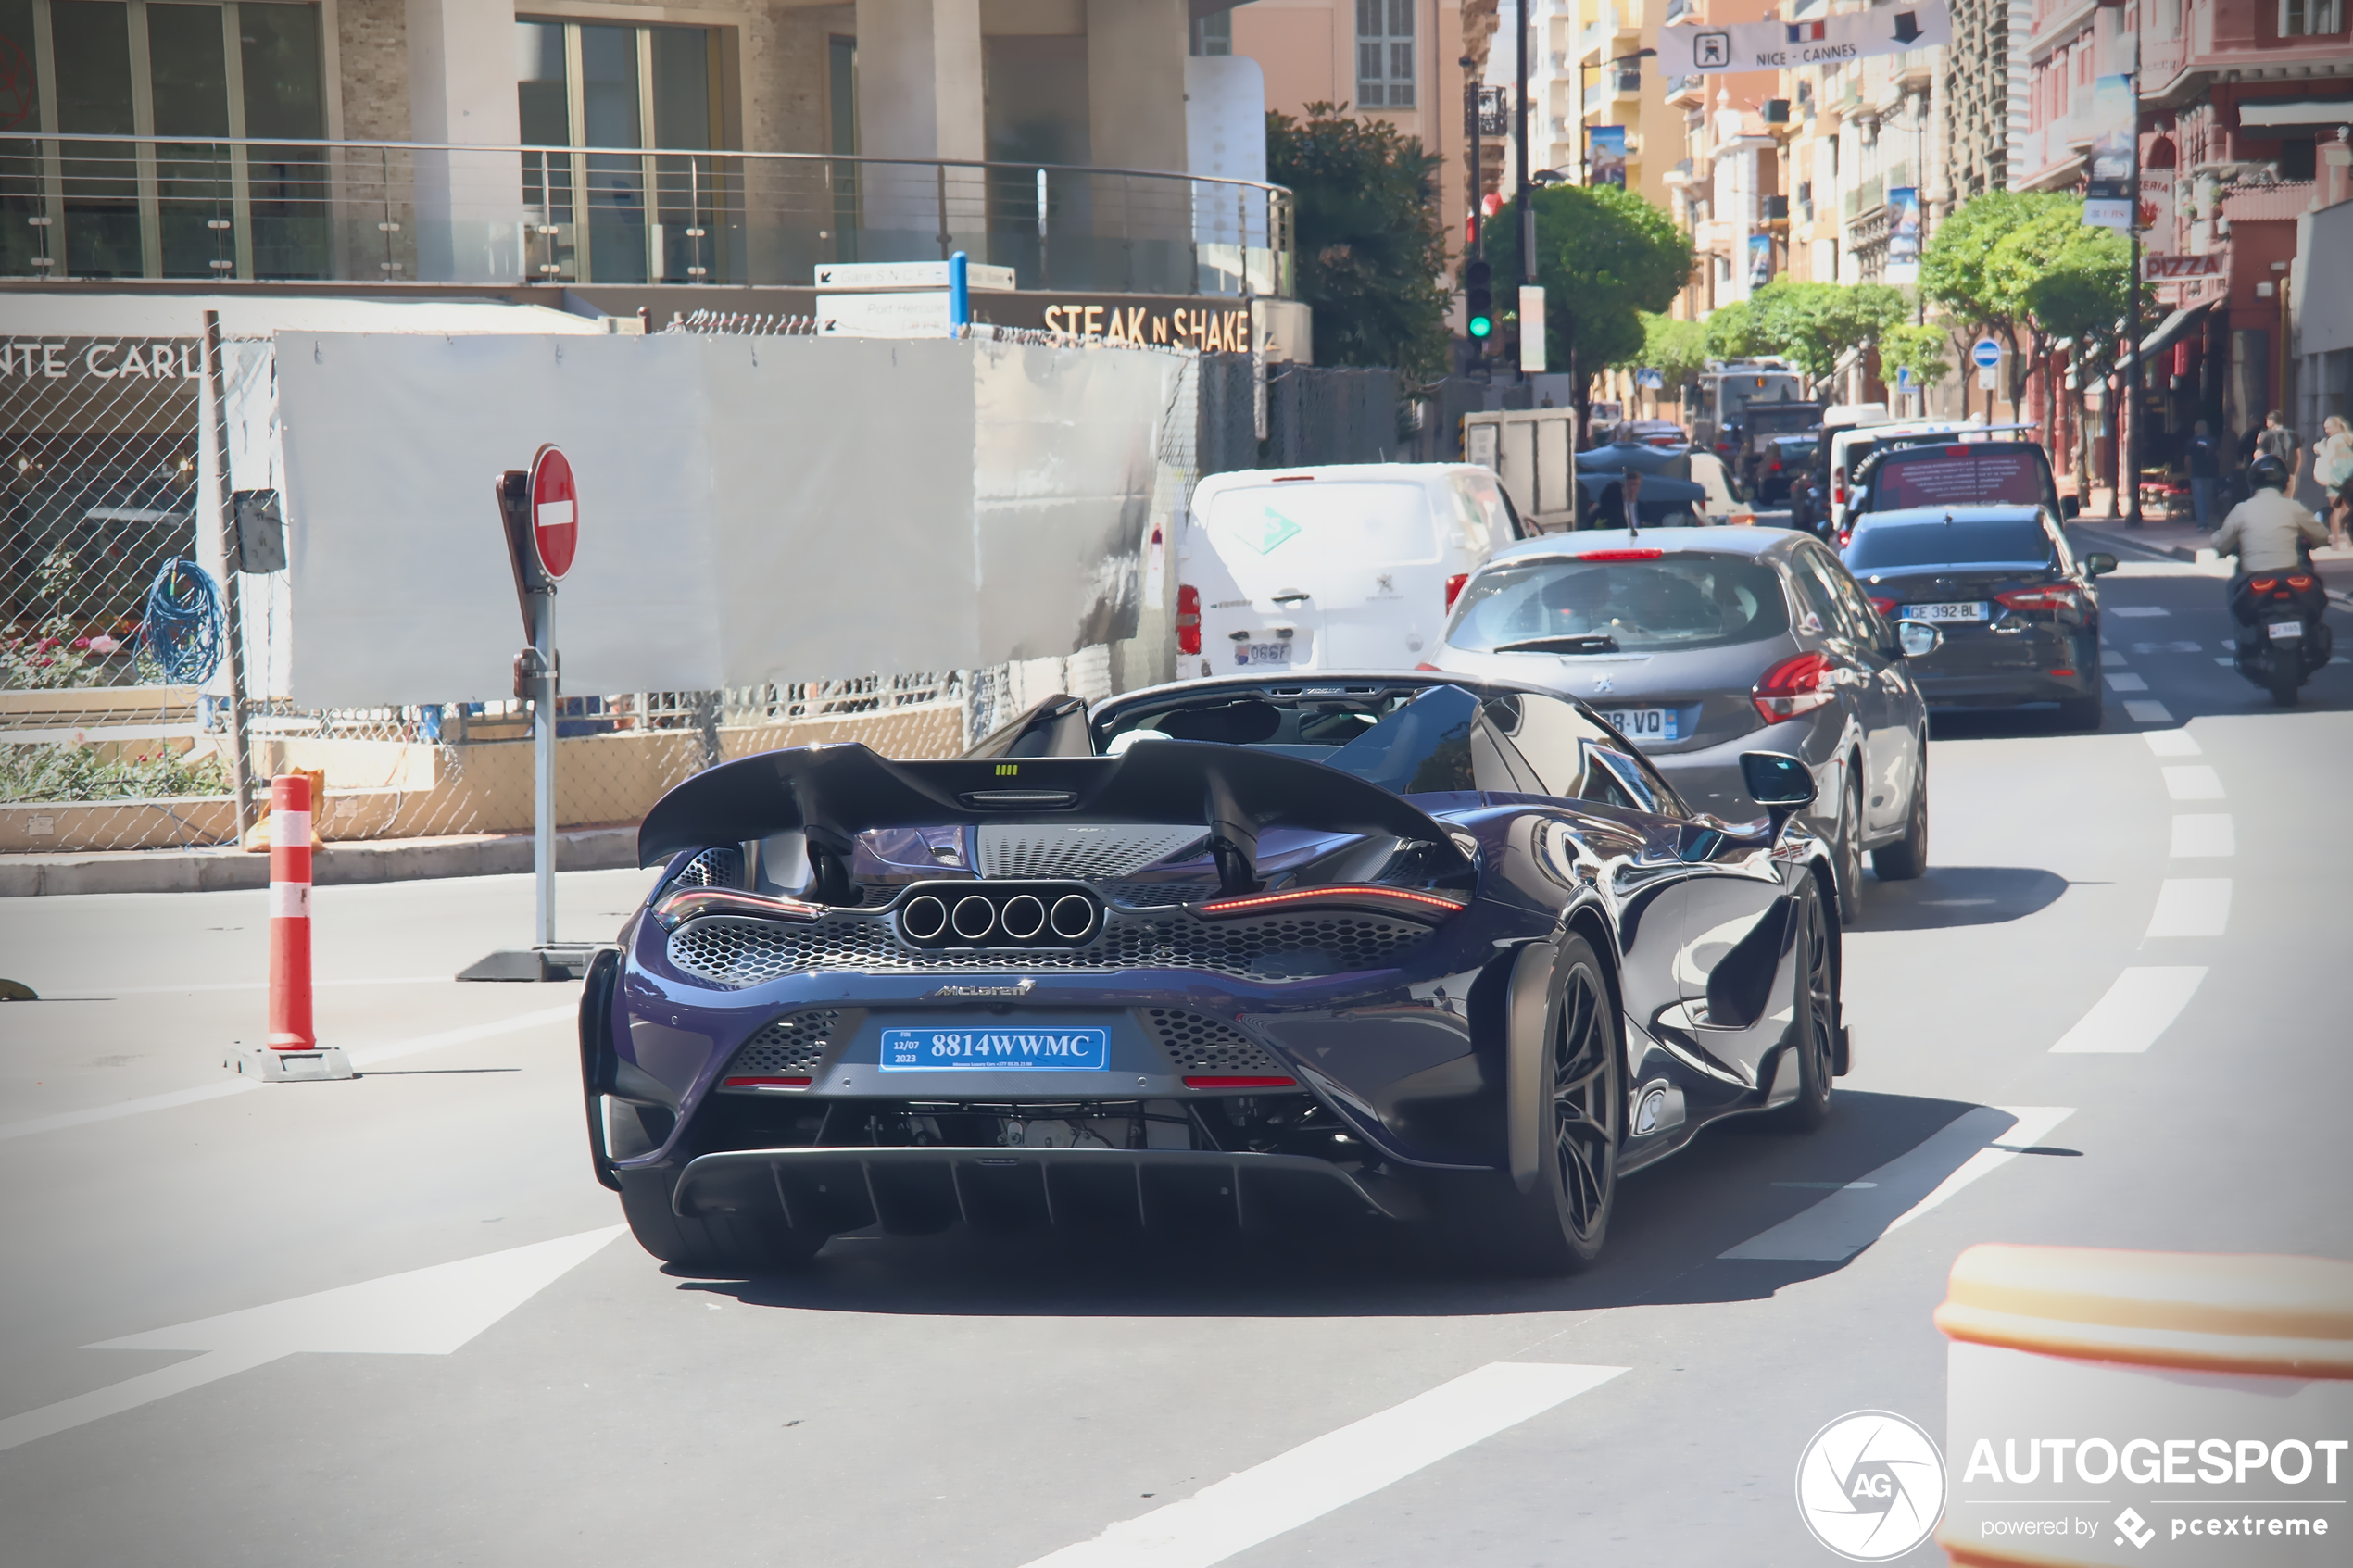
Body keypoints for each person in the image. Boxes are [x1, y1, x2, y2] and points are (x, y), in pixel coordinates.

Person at [2211, 454, 2327, 608]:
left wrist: (2221, 547)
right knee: (2315, 587)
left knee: (2233, 587)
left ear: (2252, 482)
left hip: (2254, 574)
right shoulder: (2293, 507)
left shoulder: (2242, 509)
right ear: (2285, 481)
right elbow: (2322, 535)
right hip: (2291, 571)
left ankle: (2241, 632)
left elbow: (2221, 542)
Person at [2312, 413, 2353, 549]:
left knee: (2335, 510)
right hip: (2349, 478)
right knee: (2347, 509)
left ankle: (2336, 541)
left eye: (2328, 428)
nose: (2326, 431)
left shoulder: (2333, 440)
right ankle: (2348, 539)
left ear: (2336, 427)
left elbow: (2328, 458)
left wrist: (2319, 448)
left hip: (2336, 480)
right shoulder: (2349, 438)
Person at [2185, 420, 2221, 529]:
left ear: (2196, 429)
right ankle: (2209, 521)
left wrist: (2188, 473)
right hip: (2211, 473)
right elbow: (2218, 456)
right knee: (2209, 497)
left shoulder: (2192, 442)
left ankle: (2202, 523)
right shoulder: (2213, 441)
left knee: (2199, 499)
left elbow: (2188, 459)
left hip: (2196, 473)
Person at [2257, 409, 2303, 484]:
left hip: (2270, 474)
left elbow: (2258, 456)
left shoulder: (2264, 435)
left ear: (2271, 421)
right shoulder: (2293, 435)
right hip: (2288, 474)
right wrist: (2294, 474)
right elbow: (2299, 457)